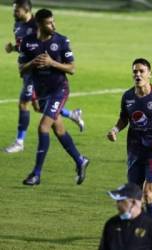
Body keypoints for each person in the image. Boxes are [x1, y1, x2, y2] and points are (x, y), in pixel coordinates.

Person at [19, 8, 89, 185]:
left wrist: (52, 62)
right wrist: (32, 63)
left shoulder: (61, 40)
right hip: (41, 92)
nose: (53, 25)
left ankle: (36, 174)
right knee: (58, 129)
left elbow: (72, 68)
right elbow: (21, 69)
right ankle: (80, 160)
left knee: (43, 127)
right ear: (39, 24)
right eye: (49, 23)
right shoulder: (27, 43)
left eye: (53, 21)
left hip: (59, 90)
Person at [4, 0, 84, 154]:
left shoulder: (38, 25)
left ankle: (20, 142)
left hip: (37, 74)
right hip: (29, 70)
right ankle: (72, 114)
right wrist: (13, 48)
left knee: (24, 104)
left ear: (26, 9)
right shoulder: (18, 25)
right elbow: (26, 47)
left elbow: (44, 46)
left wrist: (45, 63)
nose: (14, 13)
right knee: (40, 107)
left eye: (16, 10)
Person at [107, 58, 152, 219]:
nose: (138, 74)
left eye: (142, 71)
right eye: (135, 71)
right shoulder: (127, 97)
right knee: (135, 195)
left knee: (148, 193)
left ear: (150, 74)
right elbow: (124, 119)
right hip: (134, 150)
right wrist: (115, 130)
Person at [99, 183, 152, 250]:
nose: (118, 205)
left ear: (134, 203)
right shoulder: (111, 224)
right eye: (117, 201)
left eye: (121, 201)